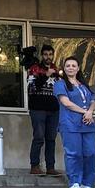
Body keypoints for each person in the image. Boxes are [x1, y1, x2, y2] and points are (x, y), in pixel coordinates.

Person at [53, 56, 95, 188]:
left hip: (87, 123)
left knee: (90, 153)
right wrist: (85, 111)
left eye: (73, 65)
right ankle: (74, 183)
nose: (71, 68)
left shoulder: (83, 85)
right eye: (68, 65)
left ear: (78, 68)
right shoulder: (60, 84)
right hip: (70, 124)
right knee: (74, 154)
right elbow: (66, 102)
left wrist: (90, 112)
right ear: (64, 69)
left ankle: (87, 183)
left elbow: (93, 100)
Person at [27, 44, 59, 175]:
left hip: (53, 109)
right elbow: (32, 89)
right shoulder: (34, 68)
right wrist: (46, 74)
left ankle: (50, 167)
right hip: (38, 108)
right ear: (42, 55)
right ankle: (35, 165)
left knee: (51, 138)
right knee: (39, 137)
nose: (48, 57)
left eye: (50, 54)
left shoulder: (56, 70)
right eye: (46, 54)